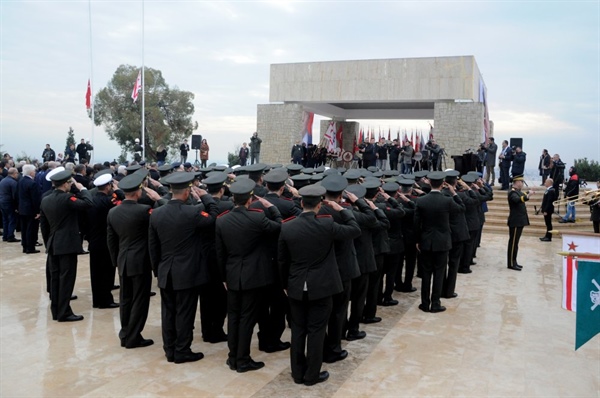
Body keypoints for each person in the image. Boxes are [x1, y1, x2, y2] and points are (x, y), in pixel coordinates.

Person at [278, 184, 361, 386]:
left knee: (298, 330)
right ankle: (312, 375)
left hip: (296, 285)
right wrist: (343, 210)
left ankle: (297, 373)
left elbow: (282, 260)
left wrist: (285, 284)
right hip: (322, 286)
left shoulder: (287, 226)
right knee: (316, 330)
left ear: (301, 202)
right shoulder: (326, 224)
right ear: (319, 205)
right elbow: (354, 230)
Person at [148, 172, 218, 364]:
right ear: (187, 191)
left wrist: (158, 270)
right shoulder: (192, 212)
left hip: (166, 271)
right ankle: (182, 350)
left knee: (168, 313)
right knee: (184, 313)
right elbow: (212, 218)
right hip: (187, 272)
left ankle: (169, 349)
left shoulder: (157, 214)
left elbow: (153, 247)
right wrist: (205, 197)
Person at [216, 178, 282, 373]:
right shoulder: (257, 217)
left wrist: (224, 278)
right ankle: (242, 359)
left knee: (234, 317)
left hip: (232, 274)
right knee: (247, 319)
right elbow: (279, 226)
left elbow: (220, 253)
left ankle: (233, 357)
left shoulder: (222, 220)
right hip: (254, 276)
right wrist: (272, 208)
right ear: (250, 199)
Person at [107, 171, 156, 349]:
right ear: (137, 192)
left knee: (126, 299)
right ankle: (134, 336)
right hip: (140, 261)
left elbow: (111, 241)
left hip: (123, 260)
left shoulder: (113, 212)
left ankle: (125, 333)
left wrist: (116, 261)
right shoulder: (144, 211)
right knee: (139, 300)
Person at [40, 169, 93, 321]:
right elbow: (88, 203)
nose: (71, 185)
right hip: (67, 243)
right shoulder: (67, 198)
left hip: (53, 244)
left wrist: (48, 243)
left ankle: (56, 310)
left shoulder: (46, 199)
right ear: (64, 184)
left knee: (55, 279)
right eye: (70, 182)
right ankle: (64, 312)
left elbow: (44, 225)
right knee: (66, 279)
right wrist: (83, 189)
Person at [414, 171, 465, 313]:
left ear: (429, 183)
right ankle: (435, 303)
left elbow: (416, 223)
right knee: (439, 273)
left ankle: (425, 303)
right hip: (443, 242)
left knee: (426, 274)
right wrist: (454, 193)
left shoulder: (421, 200)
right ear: (443, 184)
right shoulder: (448, 200)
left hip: (426, 241)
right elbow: (461, 209)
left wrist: (417, 240)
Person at [86, 173, 120, 309]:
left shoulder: (91, 200)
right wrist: (117, 190)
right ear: (108, 186)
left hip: (93, 241)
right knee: (106, 273)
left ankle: (97, 300)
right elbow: (121, 198)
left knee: (95, 273)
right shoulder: (108, 201)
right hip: (105, 241)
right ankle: (106, 300)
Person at [507, 175, 533, 271]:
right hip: (515, 221)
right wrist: (528, 195)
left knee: (516, 243)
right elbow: (518, 199)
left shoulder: (517, 192)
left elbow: (521, 195)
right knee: (513, 243)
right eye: (521, 182)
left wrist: (528, 193)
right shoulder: (512, 192)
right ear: (517, 182)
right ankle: (511, 263)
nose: (522, 183)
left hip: (519, 221)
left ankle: (514, 261)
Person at [17, 164, 42, 254]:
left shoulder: (20, 181)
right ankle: (30, 247)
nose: (35, 173)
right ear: (31, 172)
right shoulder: (32, 183)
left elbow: (17, 195)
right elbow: (35, 199)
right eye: (34, 171)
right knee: (31, 229)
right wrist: (37, 211)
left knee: (24, 228)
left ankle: (25, 246)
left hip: (22, 208)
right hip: (31, 210)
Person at [0, 168, 20, 242]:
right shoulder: (13, 182)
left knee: (5, 219)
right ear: (14, 173)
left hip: (2, 202)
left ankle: (5, 236)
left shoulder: (3, 180)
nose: (17, 175)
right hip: (9, 202)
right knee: (12, 219)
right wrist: (17, 207)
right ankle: (10, 236)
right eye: (17, 173)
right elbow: (15, 195)